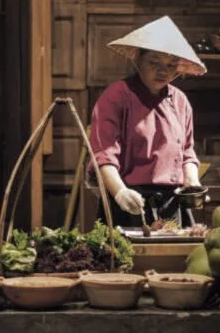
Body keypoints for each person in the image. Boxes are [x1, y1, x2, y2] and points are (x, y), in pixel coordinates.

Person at [88, 15, 207, 229]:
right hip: (129, 201)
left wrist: (193, 183)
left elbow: (187, 153)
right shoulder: (116, 96)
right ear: (138, 59)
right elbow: (104, 156)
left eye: (171, 65)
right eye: (154, 62)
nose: (163, 71)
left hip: (172, 203)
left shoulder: (180, 101)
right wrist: (120, 193)